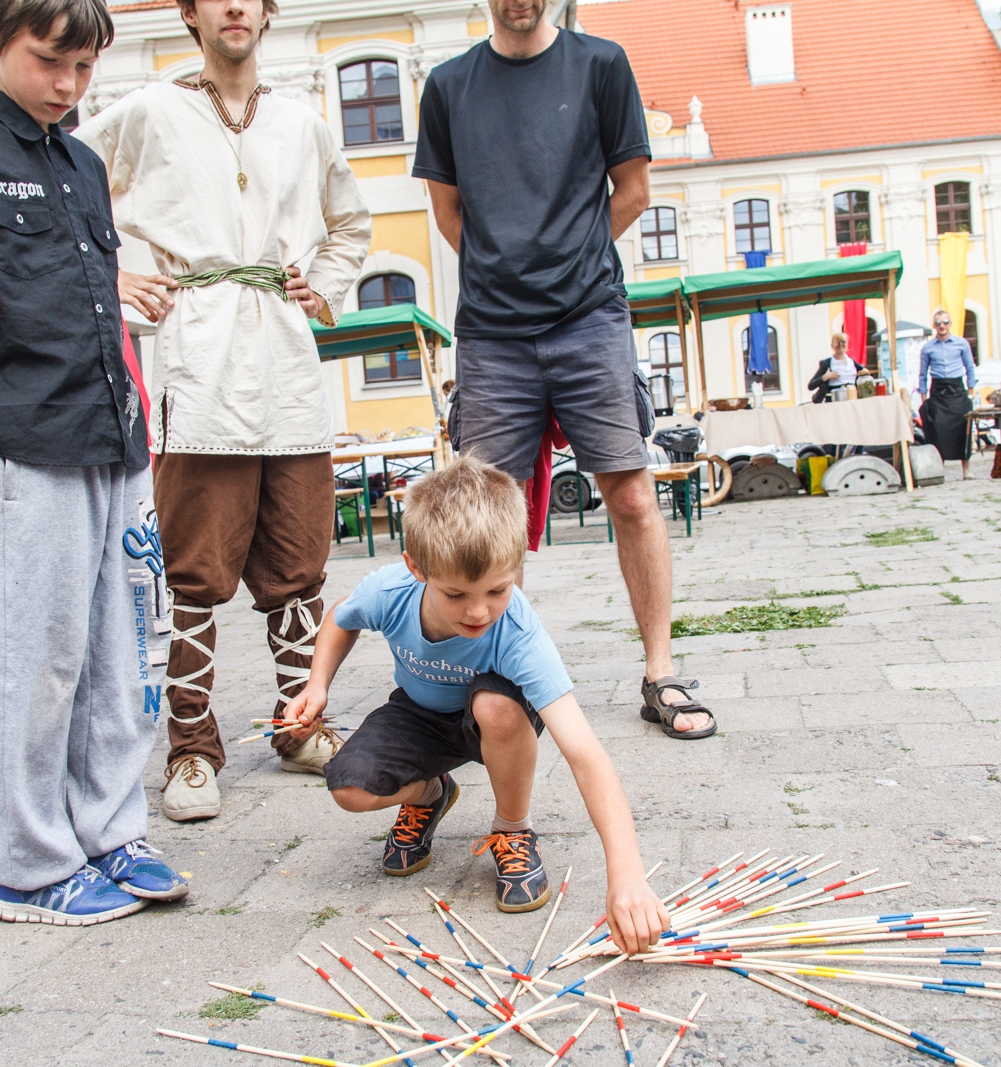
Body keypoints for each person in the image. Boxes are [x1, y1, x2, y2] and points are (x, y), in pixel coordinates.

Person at [0, 0, 187, 926]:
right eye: (49, 61)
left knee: (123, 644)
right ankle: (29, 863)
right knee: (39, 657)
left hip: (113, 434)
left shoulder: (83, 161)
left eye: (84, 68)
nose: (67, 84)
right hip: (29, 441)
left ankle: (109, 828)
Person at [76, 0, 371, 822]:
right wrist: (113, 281)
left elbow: (350, 223)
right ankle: (191, 749)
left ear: (269, 11)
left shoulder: (301, 123)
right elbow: (71, 188)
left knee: (297, 567)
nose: (234, 5)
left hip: (286, 358)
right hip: (199, 362)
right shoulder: (148, 112)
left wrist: (327, 286)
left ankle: (299, 725)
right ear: (190, 12)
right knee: (191, 573)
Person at [412, 0, 714, 741]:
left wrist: (568, 262)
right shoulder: (449, 86)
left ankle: (659, 671)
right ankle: (497, 680)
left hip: (591, 321)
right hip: (492, 334)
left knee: (633, 493)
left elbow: (633, 191)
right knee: (487, 514)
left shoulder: (601, 66)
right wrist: (509, 271)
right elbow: (449, 215)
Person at [283, 458, 669, 946]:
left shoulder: (519, 634)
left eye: (497, 589)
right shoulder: (391, 589)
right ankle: (430, 794)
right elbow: (341, 616)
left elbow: (586, 754)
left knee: (497, 707)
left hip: (496, 717)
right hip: (419, 712)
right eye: (456, 594)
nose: (479, 610)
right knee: (348, 788)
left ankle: (512, 829)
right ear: (416, 568)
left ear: (517, 568)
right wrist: (318, 684)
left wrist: (629, 875)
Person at [917, 308, 977, 478]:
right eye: (938, 323)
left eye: (945, 322)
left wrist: (970, 392)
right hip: (938, 391)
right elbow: (923, 374)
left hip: (957, 389)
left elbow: (970, 368)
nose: (942, 326)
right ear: (934, 326)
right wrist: (924, 398)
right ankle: (939, 471)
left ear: (950, 324)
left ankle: (966, 470)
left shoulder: (962, 343)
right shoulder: (927, 348)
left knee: (963, 430)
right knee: (937, 430)